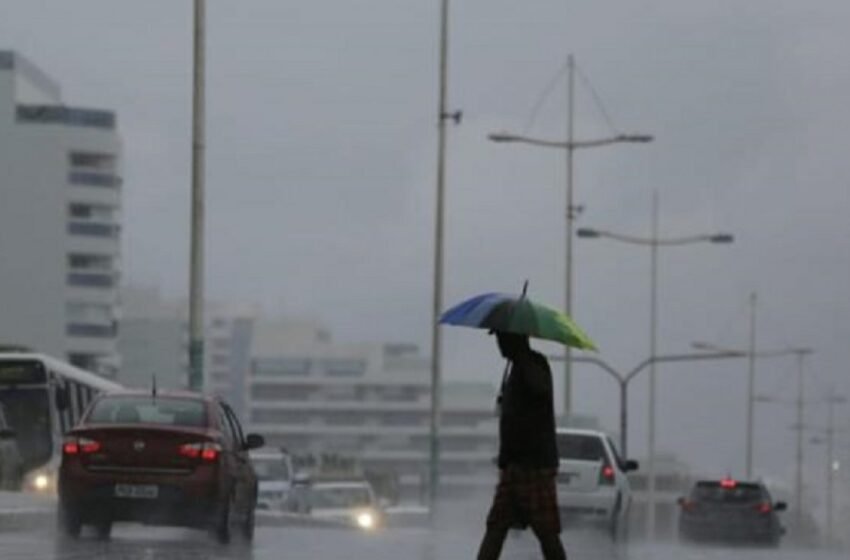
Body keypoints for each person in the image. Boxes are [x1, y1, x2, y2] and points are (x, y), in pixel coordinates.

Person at [476, 331, 566, 560]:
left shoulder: (534, 364)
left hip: (534, 465)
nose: (499, 345)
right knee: (496, 526)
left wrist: (524, 359)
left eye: (502, 339)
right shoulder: (514, 369)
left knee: (546, 531)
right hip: (514, 465)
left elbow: (541, 388)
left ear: (515, 339)